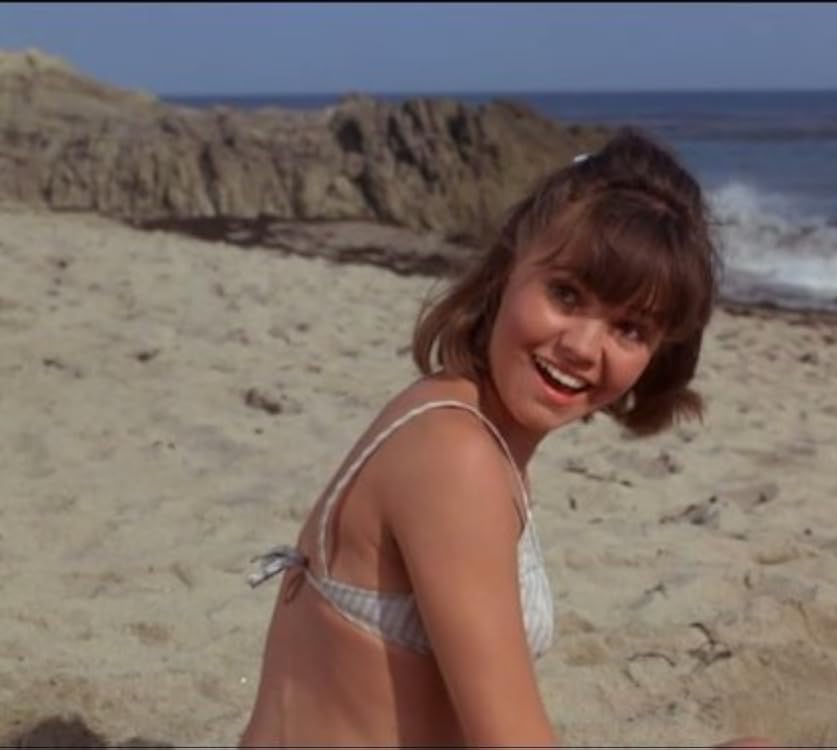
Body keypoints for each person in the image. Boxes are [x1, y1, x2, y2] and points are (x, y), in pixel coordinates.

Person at [239, 128, 773, 748]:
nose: (583, 347)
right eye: (566, 294)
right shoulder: (454, 457)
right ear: (507, 269)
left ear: (657, 354)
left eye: (629, 329)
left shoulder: (461, 416)